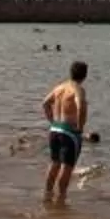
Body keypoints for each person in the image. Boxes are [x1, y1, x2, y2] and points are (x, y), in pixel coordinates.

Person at [42, 60, 91, 206]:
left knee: (54, 163)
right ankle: (60, 199)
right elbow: (80, 105)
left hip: (55, 129)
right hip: (69, 133)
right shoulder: (77, 89)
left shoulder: (59, 87)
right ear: (84, 76)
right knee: (66, 167)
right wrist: (80, 127)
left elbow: (45, 103)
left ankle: (47, 195)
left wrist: (52, 121)